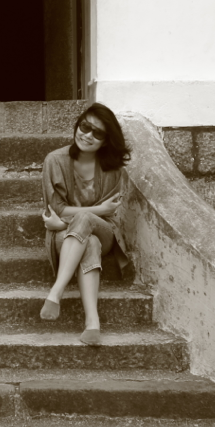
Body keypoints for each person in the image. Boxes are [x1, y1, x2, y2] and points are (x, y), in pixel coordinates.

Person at [39, 102, 131, 345]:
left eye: (97, 133)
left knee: (86, 221)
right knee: (89, 243)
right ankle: (93, 323)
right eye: (84, 127)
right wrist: (96, 210)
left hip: (104, 232)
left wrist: (70, 220)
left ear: (106, 141)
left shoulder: (113, 170)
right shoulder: (54, 161)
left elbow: (105, 215)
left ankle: (56, 291)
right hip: (66, 237)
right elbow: (56, 209)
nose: (87, 135)